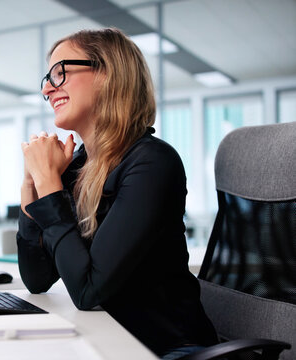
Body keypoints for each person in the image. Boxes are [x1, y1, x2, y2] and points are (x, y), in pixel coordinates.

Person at [18, 28, 218, 359]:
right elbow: (37, 279)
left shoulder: (152, 163)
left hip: (167, 350)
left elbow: (87, 290)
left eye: (59, 73)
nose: (47, 88)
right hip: (109, 339)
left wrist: (49, 181)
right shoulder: (78, 165)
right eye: (46, 79)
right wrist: (32, 183)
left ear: (108, 72)